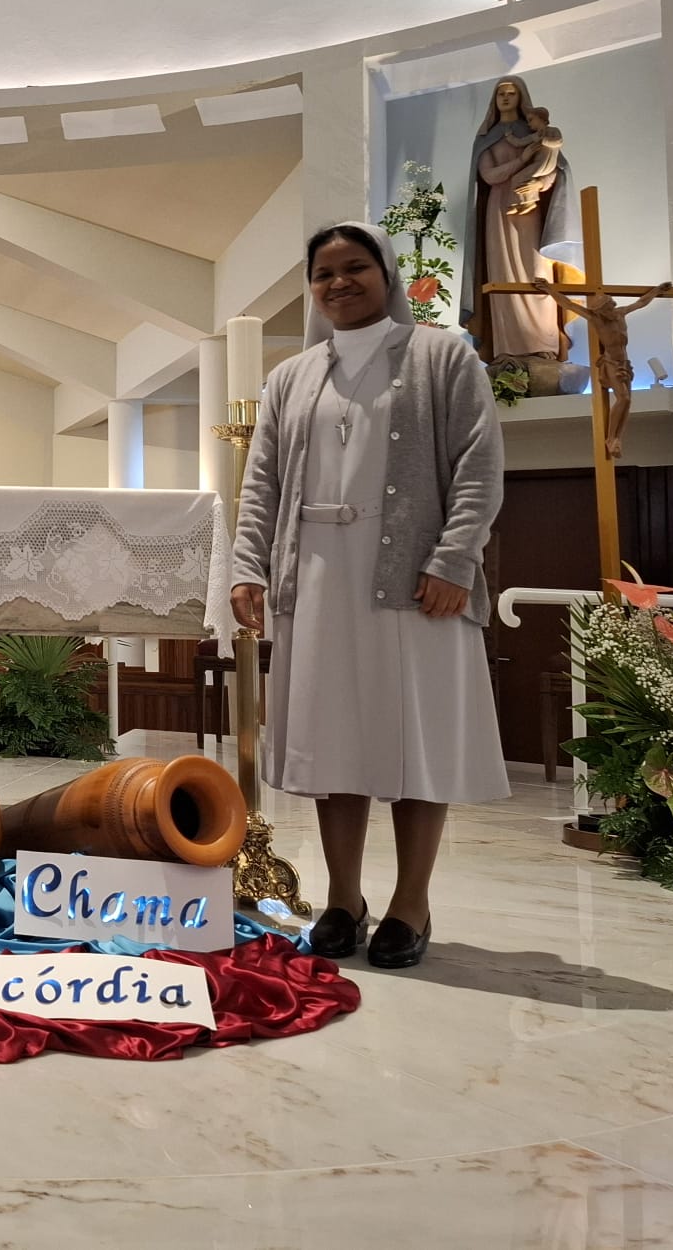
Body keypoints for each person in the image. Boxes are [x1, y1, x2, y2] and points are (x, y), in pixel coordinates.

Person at [230, 222, 507, 968]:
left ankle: (409, 904)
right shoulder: (291, 376)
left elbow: (479, 463)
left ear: (385, 273)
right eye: (324, 273)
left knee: (415, 742)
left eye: (356, 268)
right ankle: (343, 899)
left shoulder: (442, 356)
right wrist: (246, 567)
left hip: (415, 582)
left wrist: (455, 561)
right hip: (317, 580)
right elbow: (263, 484)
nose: (339, 282)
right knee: (333, 745)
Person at [460, 77, 574, 362]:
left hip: (531, 211)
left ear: (521, 97)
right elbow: (489, 176)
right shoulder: (487, 138)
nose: (506, 98)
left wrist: (538, 185)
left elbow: (556, 170)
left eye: (512, 93)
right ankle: (506, 349)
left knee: (537, 273)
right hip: (498, 213)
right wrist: (522, 159)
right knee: (502, 277)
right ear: (494, 100)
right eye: (501, 93)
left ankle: (544, 345)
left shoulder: (538, 133)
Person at [533, 278, 672, 459]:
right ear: (600, 310)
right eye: (605, 308)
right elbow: (567, 303)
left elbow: (641, 302)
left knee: (628, 401)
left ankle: (617, 439)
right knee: (622, 398)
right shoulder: (595, 319)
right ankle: (611, 438)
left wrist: (657, 290)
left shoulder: (620, 313)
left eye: (610, 306)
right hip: (611, 363)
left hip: (624, 363)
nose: (609, 310)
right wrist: (549, 289)